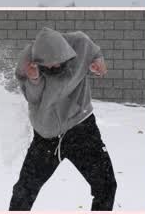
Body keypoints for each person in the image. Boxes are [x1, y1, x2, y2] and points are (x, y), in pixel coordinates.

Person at [10, 27, 116, 211]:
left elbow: (96, 55)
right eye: (47, 67)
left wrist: (99, 64)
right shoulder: (27, 60)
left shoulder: (81, 43)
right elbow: (32, 99)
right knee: (24, 192)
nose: (52, 69)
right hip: (46, 136)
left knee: (106, 185)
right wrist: (34, 80)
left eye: (56, 65)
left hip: (82, 129)